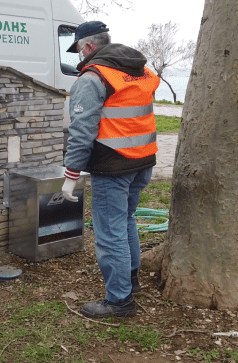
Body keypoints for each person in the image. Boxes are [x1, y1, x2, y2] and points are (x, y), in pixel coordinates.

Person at [61, 21, 160, 318]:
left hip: (113, 166)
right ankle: (129, 280)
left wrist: (71, 175)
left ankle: (119, 301)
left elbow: (81, 131)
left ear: (88, 46)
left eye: (79, 49)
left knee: (110, 232)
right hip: (143, 161)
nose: (79, 55)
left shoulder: (93, 78)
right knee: (125, 221)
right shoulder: (139, 70)